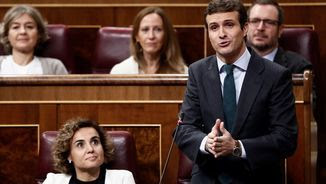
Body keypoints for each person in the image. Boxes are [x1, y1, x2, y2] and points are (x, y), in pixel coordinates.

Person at [174, 0, 297, 183]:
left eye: (229, 25)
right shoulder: (197, 72)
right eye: (214, 27)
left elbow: (286, 139)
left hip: (256, 177)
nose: (222, 34)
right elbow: (184, 129)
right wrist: (206, 143)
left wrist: (237, 147)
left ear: (245, 28)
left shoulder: (275, 76)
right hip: (209, 176)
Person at [43, 118, 135, 184]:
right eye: (80, 144)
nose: (91, 149)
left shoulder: (123, 179)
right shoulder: (53, 181)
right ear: (68, 155)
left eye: (95, 142)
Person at [110, 6, 187, 74]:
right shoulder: (119, 71)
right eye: (145, 30)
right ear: (137, 36)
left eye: (158, 30)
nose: (151, 36)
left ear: (166, 35)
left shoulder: (182, 73)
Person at [246, 0, 312, 73]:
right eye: (255, 21)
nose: (260, 28)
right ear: (246, 26)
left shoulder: (299, 67)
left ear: (280, 30)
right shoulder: (233, 62)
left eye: (269, 22)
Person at [0, 5, 68, 75]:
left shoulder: (54, 67)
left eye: (29, 27)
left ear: (39, 34)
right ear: (7, 34)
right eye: (16, 27)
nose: (23, 31)